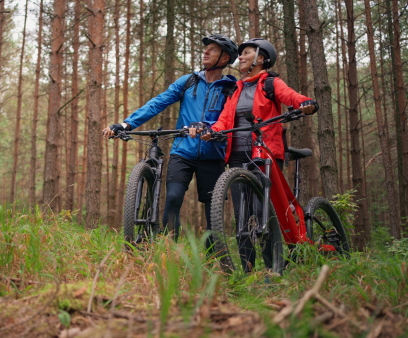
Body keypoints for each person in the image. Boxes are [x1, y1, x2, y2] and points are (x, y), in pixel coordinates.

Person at [102, 34, 238, 246]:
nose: (205, 52)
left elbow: (229, 118)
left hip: (213, 155)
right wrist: (127, 124)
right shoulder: (189, 81)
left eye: (212, 49)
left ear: (224, 58)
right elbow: (157, 103)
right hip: (182, 151)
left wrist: (208, 128)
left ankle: (214, 260)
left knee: (213, 209)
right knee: (173, 197)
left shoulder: (231, 88)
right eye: (206, 48)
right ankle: (167, 251)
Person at [199, 38, 318, 272]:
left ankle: (271, 271)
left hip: (264, 153)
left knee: (261, 211)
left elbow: (291, 97)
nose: (240, 57)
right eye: (240, 54)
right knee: (242, 217)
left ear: (261, 58)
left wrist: (306, 103)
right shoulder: (237, 89)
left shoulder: (271, 83)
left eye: (247, 53)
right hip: (236, 156)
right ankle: (247, 271)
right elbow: (224, 119)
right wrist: (212, 132)